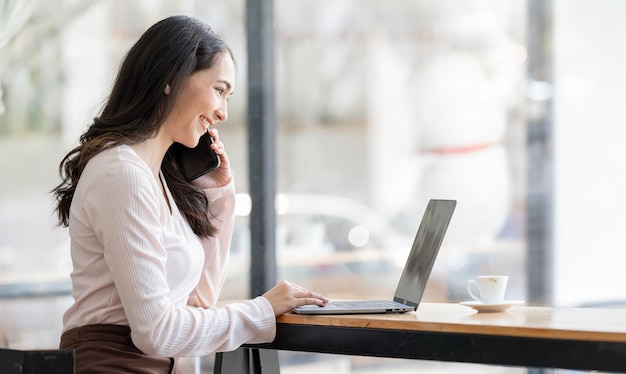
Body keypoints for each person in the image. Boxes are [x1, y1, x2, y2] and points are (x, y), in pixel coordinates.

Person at [52, 15, 328, 374]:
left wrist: (219, 198)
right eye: (219, 90)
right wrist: (262, 309)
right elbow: (157, 332)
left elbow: (198, 304)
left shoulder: (153, 180)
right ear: (171, 80)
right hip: (113, 365)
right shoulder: (121, 173)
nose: (223, 112)